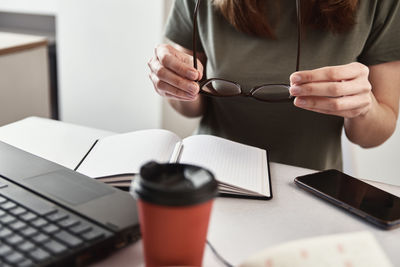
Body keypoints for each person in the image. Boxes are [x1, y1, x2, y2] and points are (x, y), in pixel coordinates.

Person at [148, 0, 400, 171]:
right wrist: (176, 83)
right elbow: (191, 106)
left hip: (312, 185)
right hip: (211, 173)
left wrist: (363, 108)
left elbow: (375, 133)